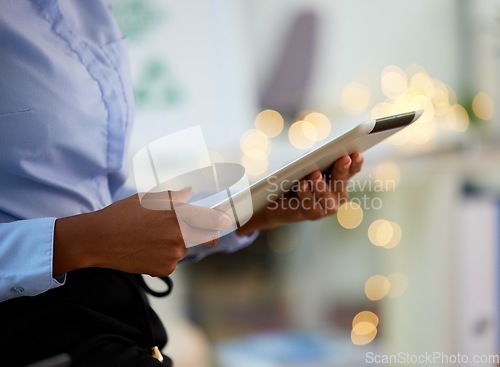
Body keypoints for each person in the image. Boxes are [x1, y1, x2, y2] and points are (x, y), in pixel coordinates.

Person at [0, 1, 363, 366]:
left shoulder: (91, 11)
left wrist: (251, 212)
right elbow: (93, 226)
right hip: (31, 336)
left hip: (121, 324)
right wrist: (83, 240)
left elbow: (89, 199)